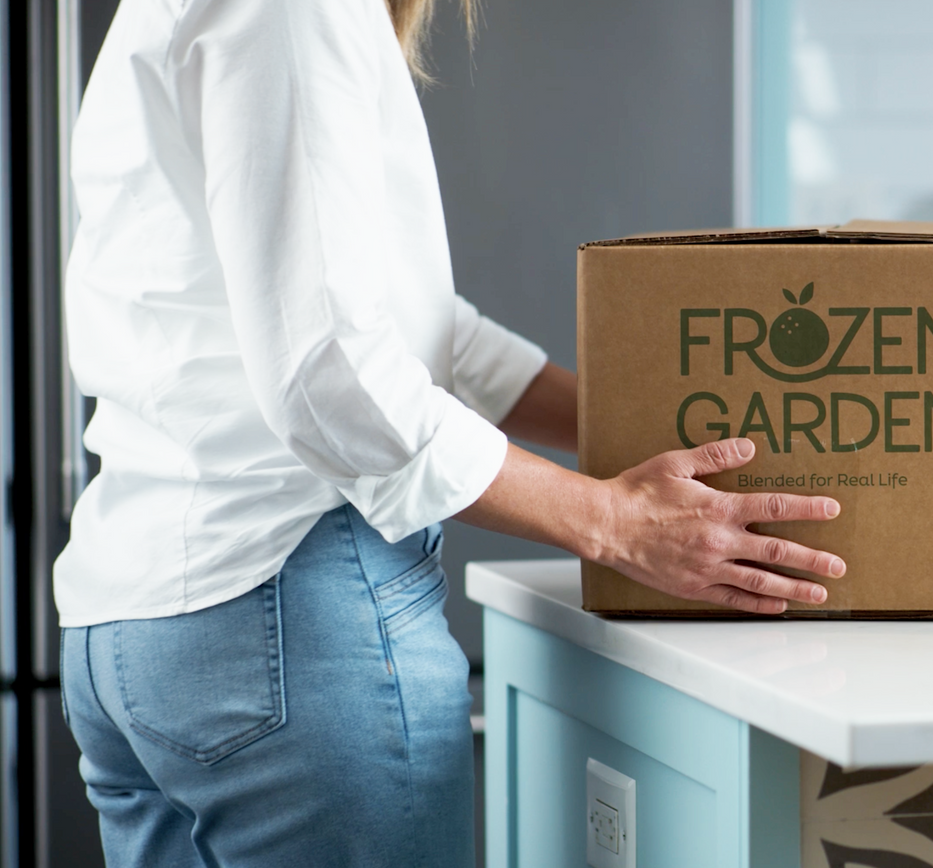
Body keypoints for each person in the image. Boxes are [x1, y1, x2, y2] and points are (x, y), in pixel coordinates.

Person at [55, 0, 845, 864]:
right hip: (283, 620)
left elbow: (422, 330)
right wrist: (615, 522)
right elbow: (331, 375)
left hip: (142, 631)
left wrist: (643, 435)